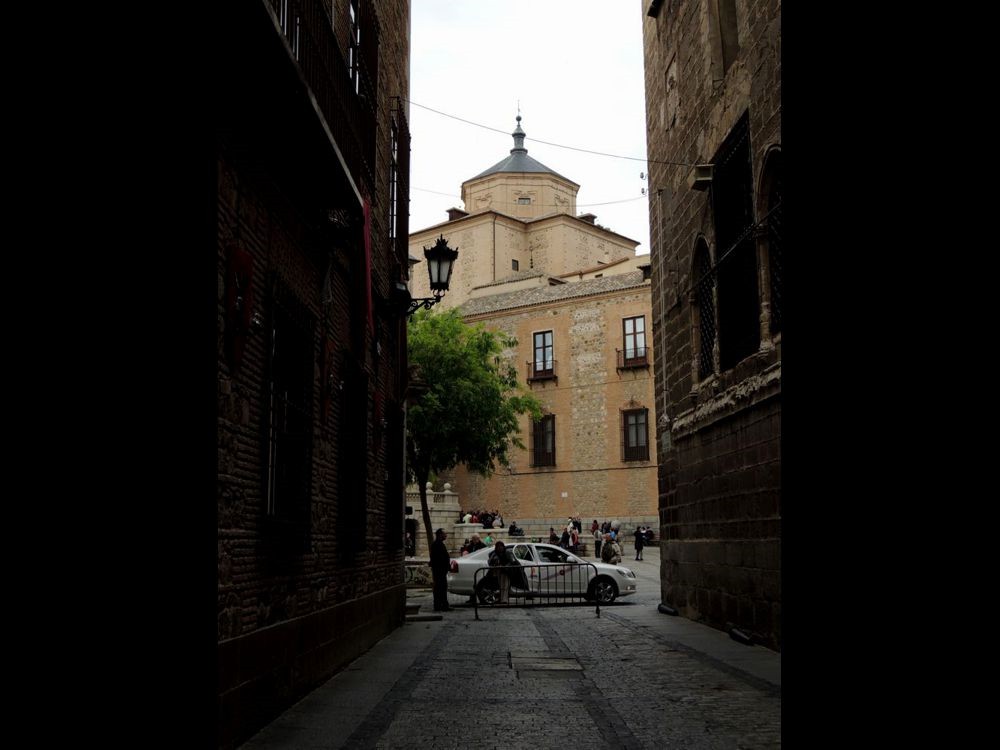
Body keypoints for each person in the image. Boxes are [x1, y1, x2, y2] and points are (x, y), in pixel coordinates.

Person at [429, 528, 452, 612]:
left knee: (441, 588)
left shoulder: (438, 544)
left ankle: (442, 605)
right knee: (440, 588)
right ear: (440, 535)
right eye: (444, 534)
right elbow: (438, 558)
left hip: (440, 570)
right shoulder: (437, 544)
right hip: (439, 571)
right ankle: (440, 606)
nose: (446, 535)